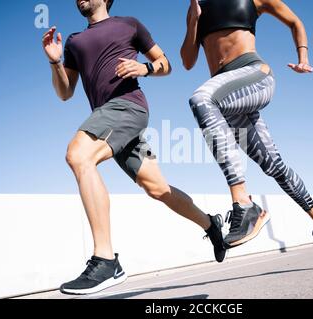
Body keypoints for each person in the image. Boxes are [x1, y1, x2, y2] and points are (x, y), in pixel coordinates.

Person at [42, 0, 226, 295]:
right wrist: (54, 61)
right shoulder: (75, 42)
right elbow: (65, 92)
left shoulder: (129, 24)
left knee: (78, 155)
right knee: (158, 189)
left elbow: (166, 64)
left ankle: (105, 259)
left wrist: (144, 67)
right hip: (110, 120)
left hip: (128, 108)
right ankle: (210, 224)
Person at [181, 0, 313, 252]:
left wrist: (303, 57)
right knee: (273, 165)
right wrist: (193, 19)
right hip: (228, 95)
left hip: (254, 75)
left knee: (201, 99)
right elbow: (188, 61)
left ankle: (243, 204)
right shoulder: (196, 6)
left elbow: (294, 21)